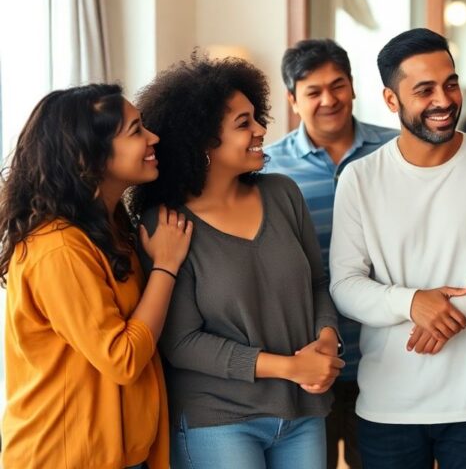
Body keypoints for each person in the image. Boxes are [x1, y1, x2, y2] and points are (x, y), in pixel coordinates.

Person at [130, 54, 342, 469]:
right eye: (243, 124)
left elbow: (317, 284)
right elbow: (182, 343)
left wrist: (327, 336)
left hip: (302, 412)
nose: (262, 129)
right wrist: (290, 366)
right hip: (219, 419)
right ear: (202, 142)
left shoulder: (283, 194)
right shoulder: (166, 224)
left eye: (255, 118)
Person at [329, 28, 466, 469]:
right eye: (424, 90)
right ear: (391, 100)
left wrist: (456, 311)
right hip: (388, 400)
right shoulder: (360, 179)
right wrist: (414, 303)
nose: (443, 99)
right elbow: (345, 284)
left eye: (450, 83)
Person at [0, 84, 192, 469]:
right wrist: (166, 267)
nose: (153, 137)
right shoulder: (59, 249)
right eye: (136, 130)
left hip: (118, 453)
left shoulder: (109, 224)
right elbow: (120, 358)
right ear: (91, 154)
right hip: (65, 457)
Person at [264, 38, 397, 469]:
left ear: (354, 87)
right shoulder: (266, 168)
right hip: (307, 360)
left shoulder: (396, 153)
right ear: (292, 99)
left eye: (337, 85)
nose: (328, 99)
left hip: (386, 350)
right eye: (313, 91)